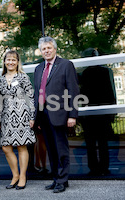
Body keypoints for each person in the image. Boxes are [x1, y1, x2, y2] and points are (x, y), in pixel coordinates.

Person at [33, 37, 79, 193]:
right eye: (44, 49)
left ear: (55, 49)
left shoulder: (66, 65)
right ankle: (56, 179)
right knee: (51, 150)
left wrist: (72, 115)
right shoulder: (38, 68)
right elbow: (37, 94)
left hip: (60, 114)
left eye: (49, 48)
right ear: (41, 51)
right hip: (44, 115)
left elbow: (73, 92)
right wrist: (37, 116)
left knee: (61, 149)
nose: (46, 51)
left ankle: (63, 180)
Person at [0, 50, 36, 190]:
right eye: (8, 59)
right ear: (5, 62)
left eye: (14, 60)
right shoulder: (0, 79)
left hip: (22, 114)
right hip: (7, 116)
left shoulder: (23, 77)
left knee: (21, 146)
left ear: (17, 62)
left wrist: (32, 116)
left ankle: (23, 176)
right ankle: (15, 175)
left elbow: (30, 97)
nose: (11, 62)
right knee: (6, 147)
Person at [80, 48, 116, 176]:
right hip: (103, 112)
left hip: (89, 112)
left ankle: (93, 168)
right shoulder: (106, 72)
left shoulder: (84, 73)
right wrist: (113, 111)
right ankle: (104, 168)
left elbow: (81, 94)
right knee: (102, 142)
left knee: (90, 142)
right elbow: (112, 91)